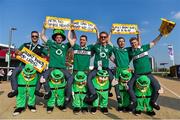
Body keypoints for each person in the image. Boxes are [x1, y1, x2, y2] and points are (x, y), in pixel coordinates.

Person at [38, 24, 74, 104]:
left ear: (62, 39)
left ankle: (68, 96)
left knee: (71, 78)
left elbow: (73, 41)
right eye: (57, 37)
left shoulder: (65, 46)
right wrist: (44, 28)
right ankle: (48, 92)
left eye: (60, 37)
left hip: (62, 68)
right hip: (52, 67)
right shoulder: (51, 44)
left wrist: (71, 31)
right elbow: (43, 36)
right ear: (55, 38)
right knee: (43, 77)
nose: (59, 39)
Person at [127, 32, 163, 110]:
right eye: (132, 43)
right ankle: (134, 101)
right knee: (129, 86)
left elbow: (154, 42)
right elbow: (126, 61)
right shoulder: (130, 52)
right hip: (137, 74)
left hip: (148, 73)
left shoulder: (144, 47)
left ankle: (153, 102)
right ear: (130, 44)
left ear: (138, 42)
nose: (133, 44)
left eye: (135, 42)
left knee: (157, 87)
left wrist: (160, 35)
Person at [8, 31, 48, 98]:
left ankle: (37, 90)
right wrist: (17, 52)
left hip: (35, 67)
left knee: (42, 76)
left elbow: (48, 54)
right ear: (31, 37)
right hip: (23, 66)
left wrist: (45, 60)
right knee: (14, 73)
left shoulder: (41, 48)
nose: (34, 37)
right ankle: (14, 90)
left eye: (36, 36)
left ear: (38, 38)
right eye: (33, 36)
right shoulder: (25, 45)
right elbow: (16, 52)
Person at [85, 29, 114, 104]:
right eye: (101, 37)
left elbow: (111, 57)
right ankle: (93, 94)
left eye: (104, 37)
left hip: (106, 69)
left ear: (107, 38)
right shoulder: (96, 46)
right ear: (99, 38)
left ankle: (109, 92)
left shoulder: (109, 47)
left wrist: (117, 63)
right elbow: (90, 55)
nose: (103, 38)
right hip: (97, 68)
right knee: (89, 78)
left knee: (114, 81)